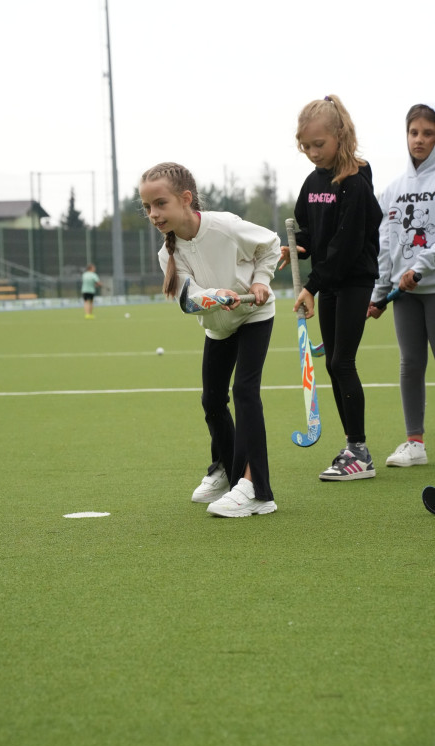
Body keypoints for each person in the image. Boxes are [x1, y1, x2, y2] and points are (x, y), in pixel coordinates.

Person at [139, 162, 280, 518]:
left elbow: (270, 244)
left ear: (186, 199)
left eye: (160, 204)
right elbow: (188, 298)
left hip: (253, 316)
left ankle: (257, 490)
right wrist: (215, 295)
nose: (154, 214)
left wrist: (261, 280)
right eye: (147, 207)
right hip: (219, 325)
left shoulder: (225, 226)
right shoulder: (167, 254)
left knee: (245, 391)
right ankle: (226, 469)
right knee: (212, 400)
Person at [279, 95, 383, 481]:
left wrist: (311, 285)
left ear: (340, 136)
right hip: (328, 282)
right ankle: (351, 447)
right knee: (333, 363)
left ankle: (359, 451)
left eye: (318, 145)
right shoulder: (313, 181)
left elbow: (345, 245)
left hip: (353, 279)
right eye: (305, 146)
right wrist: (298, 246)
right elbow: (311, 228)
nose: (311, 153)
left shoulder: (354, 183)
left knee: (342, 362)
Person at [368, 102, 435, 467]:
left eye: (427, 133)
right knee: (410, 364)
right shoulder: (391, 190)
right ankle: (415, 443)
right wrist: (380, 293)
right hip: (404, 297)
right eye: (414, 133)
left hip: (433, 288)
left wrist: (420, 268)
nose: (419, 140)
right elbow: (386, 246)